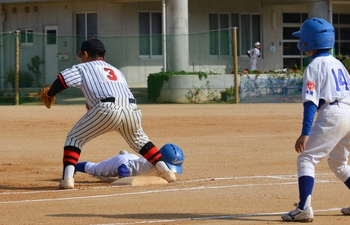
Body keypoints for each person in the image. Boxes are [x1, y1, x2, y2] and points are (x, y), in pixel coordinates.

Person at [44, 38, 177, 189]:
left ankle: (67, 179)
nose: (81, 59)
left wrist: (50, 93)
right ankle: (167, 172)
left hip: (107, 109)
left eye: (81, 56)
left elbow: (62, 80)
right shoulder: (116, 70)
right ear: (103, 55)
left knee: (74, 139)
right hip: (131, 109)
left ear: (85, 54)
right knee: (141, 142)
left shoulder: (84, 68)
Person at [281, 17, 350, 222]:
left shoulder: (314, 66)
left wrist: (305, 132)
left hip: (333, 114)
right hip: (348, 113)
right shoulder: (338, 64)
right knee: (339, 162)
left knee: (306, 158)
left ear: (308, 42)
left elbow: (310, 102)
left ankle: (303, 209)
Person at [75, 143, 184, 179]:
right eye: (169, 167)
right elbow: (123, 167)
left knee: (131, 159)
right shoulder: (144, 165)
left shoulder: (153, 164)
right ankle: (73, 166)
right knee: (94, 169)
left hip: (133, 158)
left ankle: (124, 154)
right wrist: (125, 179)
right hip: (121, 162)